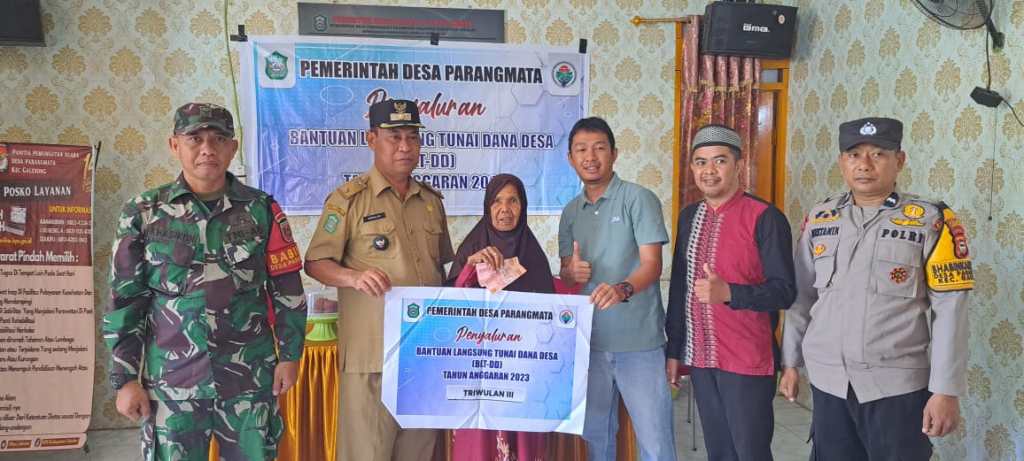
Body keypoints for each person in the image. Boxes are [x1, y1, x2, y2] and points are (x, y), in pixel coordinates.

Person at [103, 102, 307, 460]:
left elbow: (287, 289)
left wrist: (290, 356)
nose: (207, 149)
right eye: (194, 139)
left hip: (248, 380)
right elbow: (125, 301)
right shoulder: (144, 213)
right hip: (172, 384)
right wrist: (125, 379)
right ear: (174, 145)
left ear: (233, 147)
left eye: (218, 139)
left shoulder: (262, 209)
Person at [779, 117, 973, 460]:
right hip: (829, 382)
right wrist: (790, 362)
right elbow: (802, 297)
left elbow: (951, 311)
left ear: (899, 160)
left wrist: (945, 390)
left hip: (896, 387)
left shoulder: (931, 221)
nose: (864, 165)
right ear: (842, 161)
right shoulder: (821, 218)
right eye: (854, 155)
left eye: (878, 154)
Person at [304, 99, 455, 461]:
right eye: (394, 137)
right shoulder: (348, 200)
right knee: (366, 454)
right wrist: (352, 277)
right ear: (371, 140)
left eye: (412, 137)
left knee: (418, 454)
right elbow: (315, 262)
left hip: (422, 353)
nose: (405, 147)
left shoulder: (431, 202)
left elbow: (442, 271)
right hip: (372, 356)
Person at [665, 124, 796, 461]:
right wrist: (674, 350)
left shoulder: (765, 217)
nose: (709, 171)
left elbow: (785, 291)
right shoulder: (689, 217)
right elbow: (680, 288)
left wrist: (730, 293)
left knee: (750, 452)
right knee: (720, 452)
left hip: (747, 360)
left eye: (720, 160)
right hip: (702, 356)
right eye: (701, 162)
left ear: (739, 165)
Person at [558, 117, 676, 461]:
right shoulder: (570, 212)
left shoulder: (638, 199)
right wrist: (570, 273)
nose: (590, 157)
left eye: (599, 148)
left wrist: (623, 289)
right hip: (590, 343)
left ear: (614, 154)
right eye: (581, 149)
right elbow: (567, 273)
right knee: (597, 438)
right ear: (570, 158)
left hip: (638, 342)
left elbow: (652, 264)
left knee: (655, 441)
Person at [448, 174, 553, 461]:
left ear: (523, 206)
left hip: (522, 372)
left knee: (522, 442)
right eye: (497, 201)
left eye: (513, 201)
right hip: (477, 373)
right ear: (487, 206)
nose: (505, 209)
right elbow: (448, 307)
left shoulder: (533, 256)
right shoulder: (471, 250)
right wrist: (470, 267)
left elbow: (550, 316)